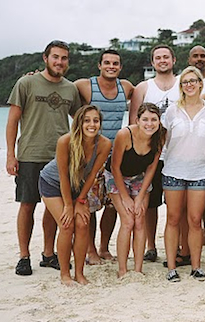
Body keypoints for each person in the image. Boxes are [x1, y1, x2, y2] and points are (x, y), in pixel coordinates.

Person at [7, 40, 82, 276]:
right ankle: (24, 256)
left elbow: (80, 119)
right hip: (30, 153)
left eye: (64, 58)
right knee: (27, 205)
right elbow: (12, 121)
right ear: (45, 58)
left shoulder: (70, 89)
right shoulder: (26, 82)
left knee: (53, 209)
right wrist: (11, 155)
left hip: (60, 157)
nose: (60, 62)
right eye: (55, 57)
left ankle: (49, 254)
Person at [39, 105, 111, 285]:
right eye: (87, 120)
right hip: (53, 184)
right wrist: (69, 206)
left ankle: (79, 273)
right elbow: (63, 176)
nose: (91, 124)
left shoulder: (104, 144)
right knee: (67, 224)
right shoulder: (65, 141)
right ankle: (65, 274)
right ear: (79, 122)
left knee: (82, 223)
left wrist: (80, 200)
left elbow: (93, 174)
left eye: (95, 120)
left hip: (79, 187)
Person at [74, 49, 135, 264]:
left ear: (120, 67)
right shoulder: (84, 85)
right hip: (89, 157)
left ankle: (103, 247)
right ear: (99, 65)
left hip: (114, 158)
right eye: (107, 62)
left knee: (111, 206)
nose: (111, 66)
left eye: (115, 63)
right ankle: (89, 250)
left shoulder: (126, 87)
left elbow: (145, 99)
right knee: (89, 205)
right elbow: (61, 91)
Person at [162, 67, 205, 282]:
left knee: (195, 220)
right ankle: (172, 268)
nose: (190, 85)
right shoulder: (172, 110)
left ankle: (196, 266)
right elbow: (162, 142)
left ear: (201, 84)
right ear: (181, 86)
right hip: (173, 170)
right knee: (173, 218)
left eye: (193, 81)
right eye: (185, 82)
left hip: (199, 171)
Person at [130, 45, 179, 263]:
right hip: (151, 156)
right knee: (150, 204)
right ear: (152, 62)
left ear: (173, 60)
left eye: (166, 57)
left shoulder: (183, 83)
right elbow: (133, 122)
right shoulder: (143, 87)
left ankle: (177, 245)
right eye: (158, 58)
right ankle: (151, 245)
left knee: (176, 204)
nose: (162, 61)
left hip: (178, 154)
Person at [106, 103, 165, 277]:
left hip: (139, 177)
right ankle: (123, 270)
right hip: (116, 175)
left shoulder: (160, 136)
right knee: (128, 220)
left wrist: (139, 198)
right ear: (137, 120)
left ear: (159, 121)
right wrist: (125, 197)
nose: (149, 124)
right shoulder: (125, 135)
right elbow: (114, 167)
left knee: (139, 219)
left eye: (154, 119)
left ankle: (138, 269)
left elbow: (151, 169)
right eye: (145, 119)